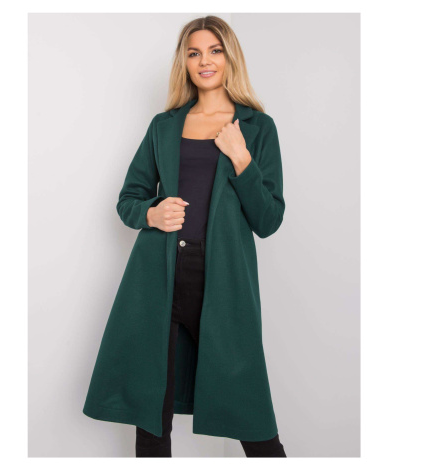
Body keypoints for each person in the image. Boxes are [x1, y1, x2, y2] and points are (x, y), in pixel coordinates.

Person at [83, 15, 287, 458]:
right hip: (157, 277)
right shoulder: (164, 125)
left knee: (252, 418)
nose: (204, 61)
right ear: (185, 61)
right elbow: (128, 199)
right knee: (151, 417)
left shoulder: (257, 127)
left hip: (224, 280)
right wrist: (151, 213)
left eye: (214, 50)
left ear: (230, 57)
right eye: (194, 52)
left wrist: (241, 160)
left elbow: (269, 220)